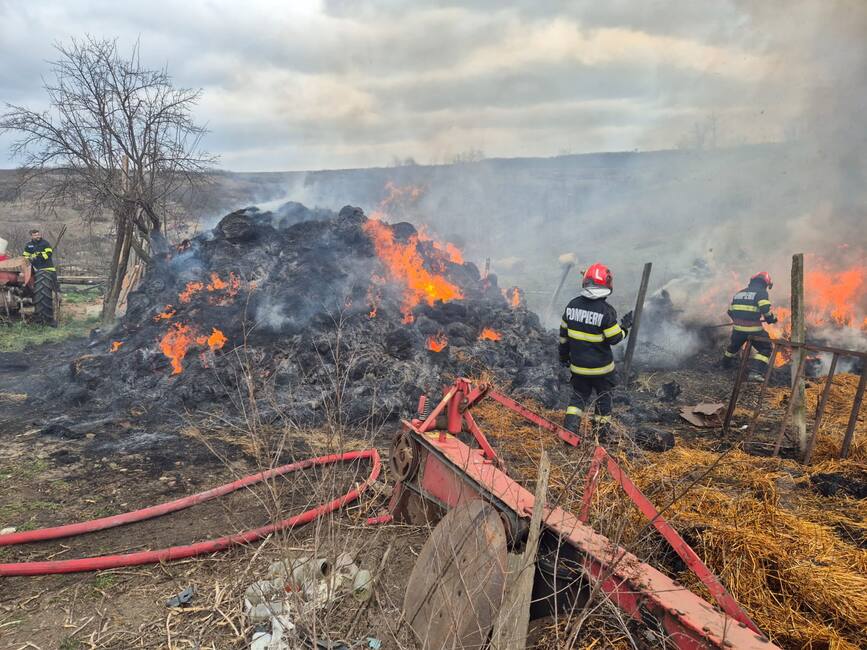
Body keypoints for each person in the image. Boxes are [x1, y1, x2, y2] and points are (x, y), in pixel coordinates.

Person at [559, 263, 632, 438]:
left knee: (577, 398)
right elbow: (614, 338)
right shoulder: (606, 311)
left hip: (578, 368)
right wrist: (625, 327)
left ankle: (569, 432)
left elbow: (563, 337)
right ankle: (600, 435)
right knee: (604, 399)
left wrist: (564, 357)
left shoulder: (572, 305)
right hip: (602, 371)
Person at [722, 272, 777, 380]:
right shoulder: (761, 293)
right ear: (765, 283)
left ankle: (724, 364)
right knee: (766, 348)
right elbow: (765, 309)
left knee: (733, 347)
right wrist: (771, 319)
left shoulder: (739, 293)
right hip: (753, 330)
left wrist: (739, 321)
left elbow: (730, 311)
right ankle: (755, 373)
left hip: (737, 330)